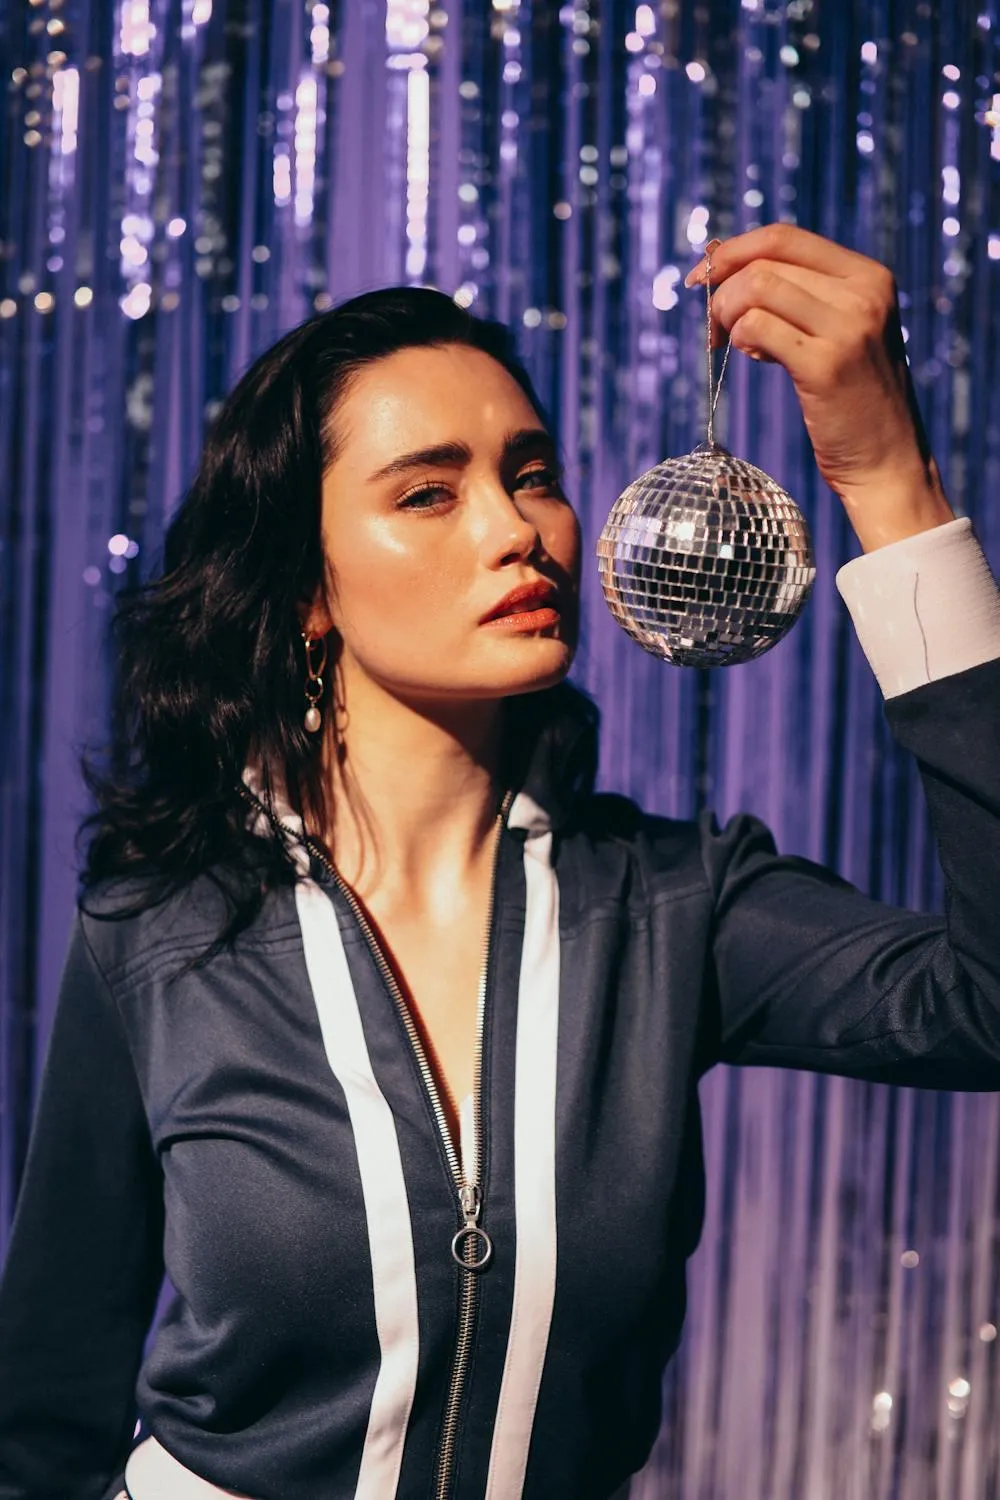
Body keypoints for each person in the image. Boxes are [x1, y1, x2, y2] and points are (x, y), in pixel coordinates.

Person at [1, 223, 999, 1500]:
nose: (516, 528)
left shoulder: (675, 903)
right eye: (429, 491)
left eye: (531, 475)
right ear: (305, 585)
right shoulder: (156, 931)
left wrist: (887, 483)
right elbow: (43, 1414)